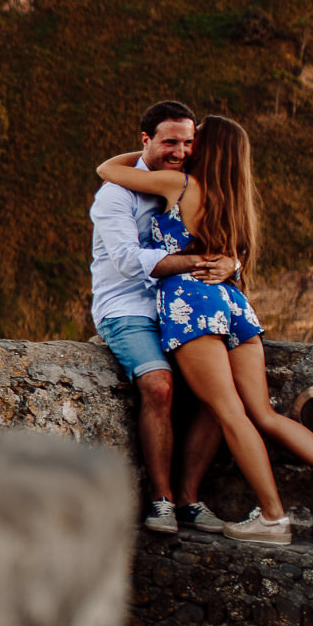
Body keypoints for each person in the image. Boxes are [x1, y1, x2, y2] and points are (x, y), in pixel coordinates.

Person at [96, 114, 313, 546]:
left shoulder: (181, 186)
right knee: (262, 413)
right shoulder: (237, 199)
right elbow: (233, 256)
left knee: (229, 412)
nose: (186, 151)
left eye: (194, 143)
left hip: (192, 301)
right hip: (233, 302)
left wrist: (153, 149)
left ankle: (272, 516)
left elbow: (107, 170)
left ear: (207, 149)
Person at [89, 100, 229, 535]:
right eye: (170, 141)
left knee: (219, 395)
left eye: (188, 142)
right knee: (159, 386)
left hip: (177, 304)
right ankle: (161, 500)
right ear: (145, 140)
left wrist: (230, 265)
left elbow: (228, 240)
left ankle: (189, 498)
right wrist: (194, 262)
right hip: (126, 307)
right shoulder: (115, 195)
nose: (180, 151)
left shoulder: (190, 186)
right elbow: (129, 262)